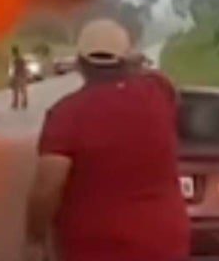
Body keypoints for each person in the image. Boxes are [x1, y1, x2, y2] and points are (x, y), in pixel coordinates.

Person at [22, 19, 189, 261]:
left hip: (95, 247)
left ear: (80, 64)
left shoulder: (67, 114)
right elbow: (160, 80)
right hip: (165, 242)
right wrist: (132, 63)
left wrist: (34, 239)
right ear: (126, 60)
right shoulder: (158, 92)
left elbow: (48, 185)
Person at [10, 45, 29, 111]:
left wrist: (14, 76)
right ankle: (24, 103)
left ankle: (16, 103)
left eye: (12, 52)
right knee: (22, 90)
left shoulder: (17, 59)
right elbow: (24, 67)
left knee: (17, 90)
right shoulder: (20, 58)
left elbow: (17, 68)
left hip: (19, 76)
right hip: (22, 75)